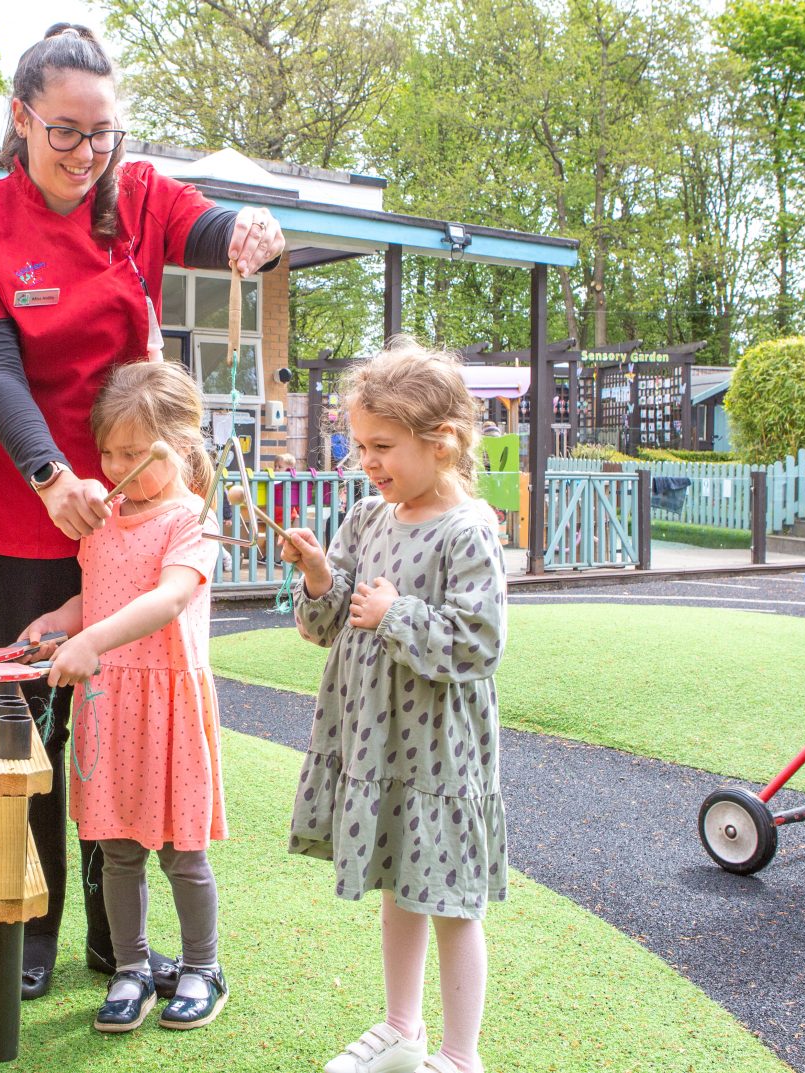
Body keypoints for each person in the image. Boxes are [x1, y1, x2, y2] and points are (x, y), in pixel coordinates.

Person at [0, 23, 283, 999]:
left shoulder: (135, 194)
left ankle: (113, 943)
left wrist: (250, 229)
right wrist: (50, 474)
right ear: (21, 118)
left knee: (116, 722)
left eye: (104, 134)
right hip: (16, 499)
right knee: (23, 721)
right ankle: (28, 923)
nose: (88, 155)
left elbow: (209, 230)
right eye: (66, 134)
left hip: (131, 509)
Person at [279, 339, 508, 1073]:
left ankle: (460, 1054)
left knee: (451, 900)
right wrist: (319, 577)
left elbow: (478, 644)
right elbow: (326, 626)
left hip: (440, 748)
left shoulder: (468, 528)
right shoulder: (369, 517)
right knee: (399, 880)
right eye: (359, 446)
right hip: (377, 738)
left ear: (441, 443)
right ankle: (402, 1030)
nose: (369, 462)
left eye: (383, 446)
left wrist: (398, 611)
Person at [19, 362, 229, 1033]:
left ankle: (203, 967)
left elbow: (168, 598)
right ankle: (132, 966)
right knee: (116, 849)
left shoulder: (193, 519)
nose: (117, 465)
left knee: (180, 850)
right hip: (111, 704)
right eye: (109, 451)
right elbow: (100, 593)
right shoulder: (103, 517)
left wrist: (91, 644)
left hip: (167, 704)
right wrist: (60, 622)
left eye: (135, 454)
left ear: (181, 447)